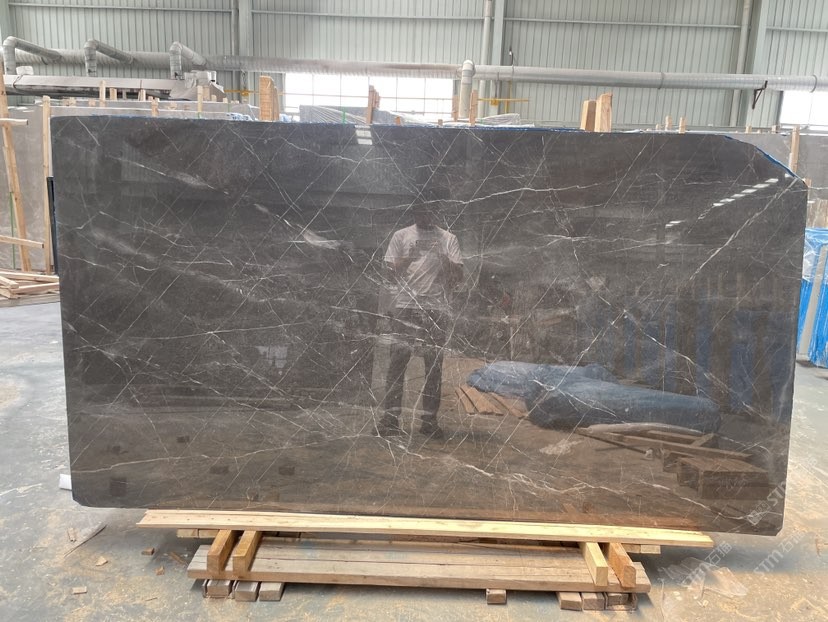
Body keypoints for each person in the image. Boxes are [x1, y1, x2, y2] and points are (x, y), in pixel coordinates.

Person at [378, 195, 463, 439]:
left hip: (436, 309)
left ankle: (429, 421)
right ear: (414, 213)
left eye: (430, 212)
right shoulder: (401, 236)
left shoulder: (448, 239)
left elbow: (458, 277)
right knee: (397, 363)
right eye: (421, 212)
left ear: (436, 212)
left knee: (434, 366)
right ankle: (390, 419)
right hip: (405, 306)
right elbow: (388, 274)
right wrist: (410, 257)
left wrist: (442, 257)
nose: (425, 217)